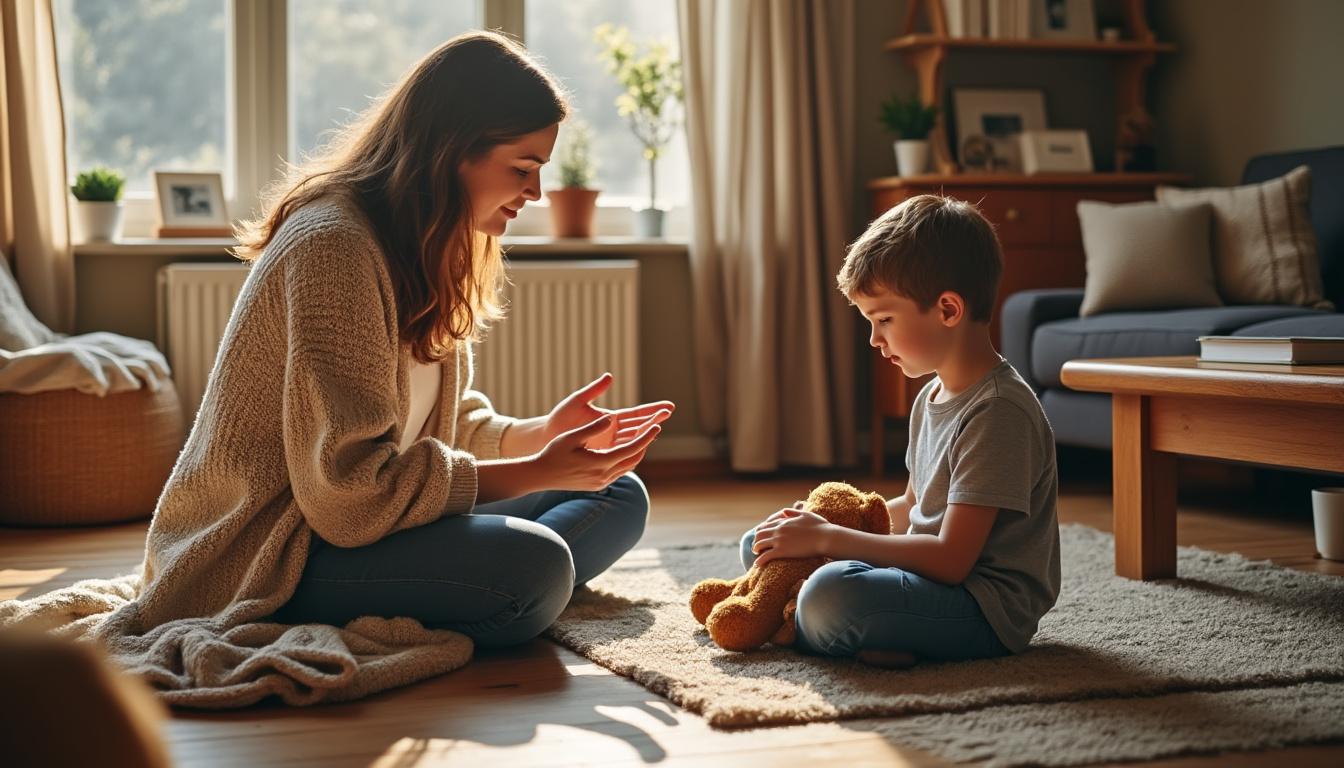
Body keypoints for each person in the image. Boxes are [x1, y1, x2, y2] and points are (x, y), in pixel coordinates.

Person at [183, 30, 672, 648]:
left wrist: (541, 435)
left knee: (616, 493)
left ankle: (489, 592)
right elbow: (348, 494)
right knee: (540, 564)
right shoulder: (332, 246)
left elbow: (436, 426)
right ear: (451, 150)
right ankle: (504, 592)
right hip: (280, 550)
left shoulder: (431, 241)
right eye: (522, 169)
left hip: (379, 521)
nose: (535, 193)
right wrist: (534, 473)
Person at [744, 194, 1060, 667]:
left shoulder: (998, 412)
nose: (875, 339)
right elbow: (913, 507)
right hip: (931, 579)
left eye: (884, 320)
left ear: (948, 310)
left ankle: (811, 618)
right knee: (761, 543)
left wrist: (828, 540)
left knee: (830, 594)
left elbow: (952, 559)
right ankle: (867, 632)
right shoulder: (931, 395)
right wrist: (818, 524)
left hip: (982, 608)